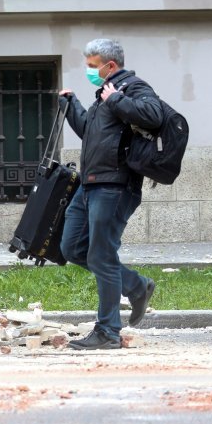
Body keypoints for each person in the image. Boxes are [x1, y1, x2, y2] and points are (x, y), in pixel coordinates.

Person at [58, 38, 163, 350]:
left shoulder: (133, 88)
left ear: (110, 66)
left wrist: (116, 100)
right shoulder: (103, 95)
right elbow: (91, 131)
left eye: (92, 65)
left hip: (115, 186)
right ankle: (135, 285)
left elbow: (154, 116)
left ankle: (107, 332)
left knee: (101, 255)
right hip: (90, 184)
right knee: (72, 247)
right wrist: (71, 105)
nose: (89, 71)